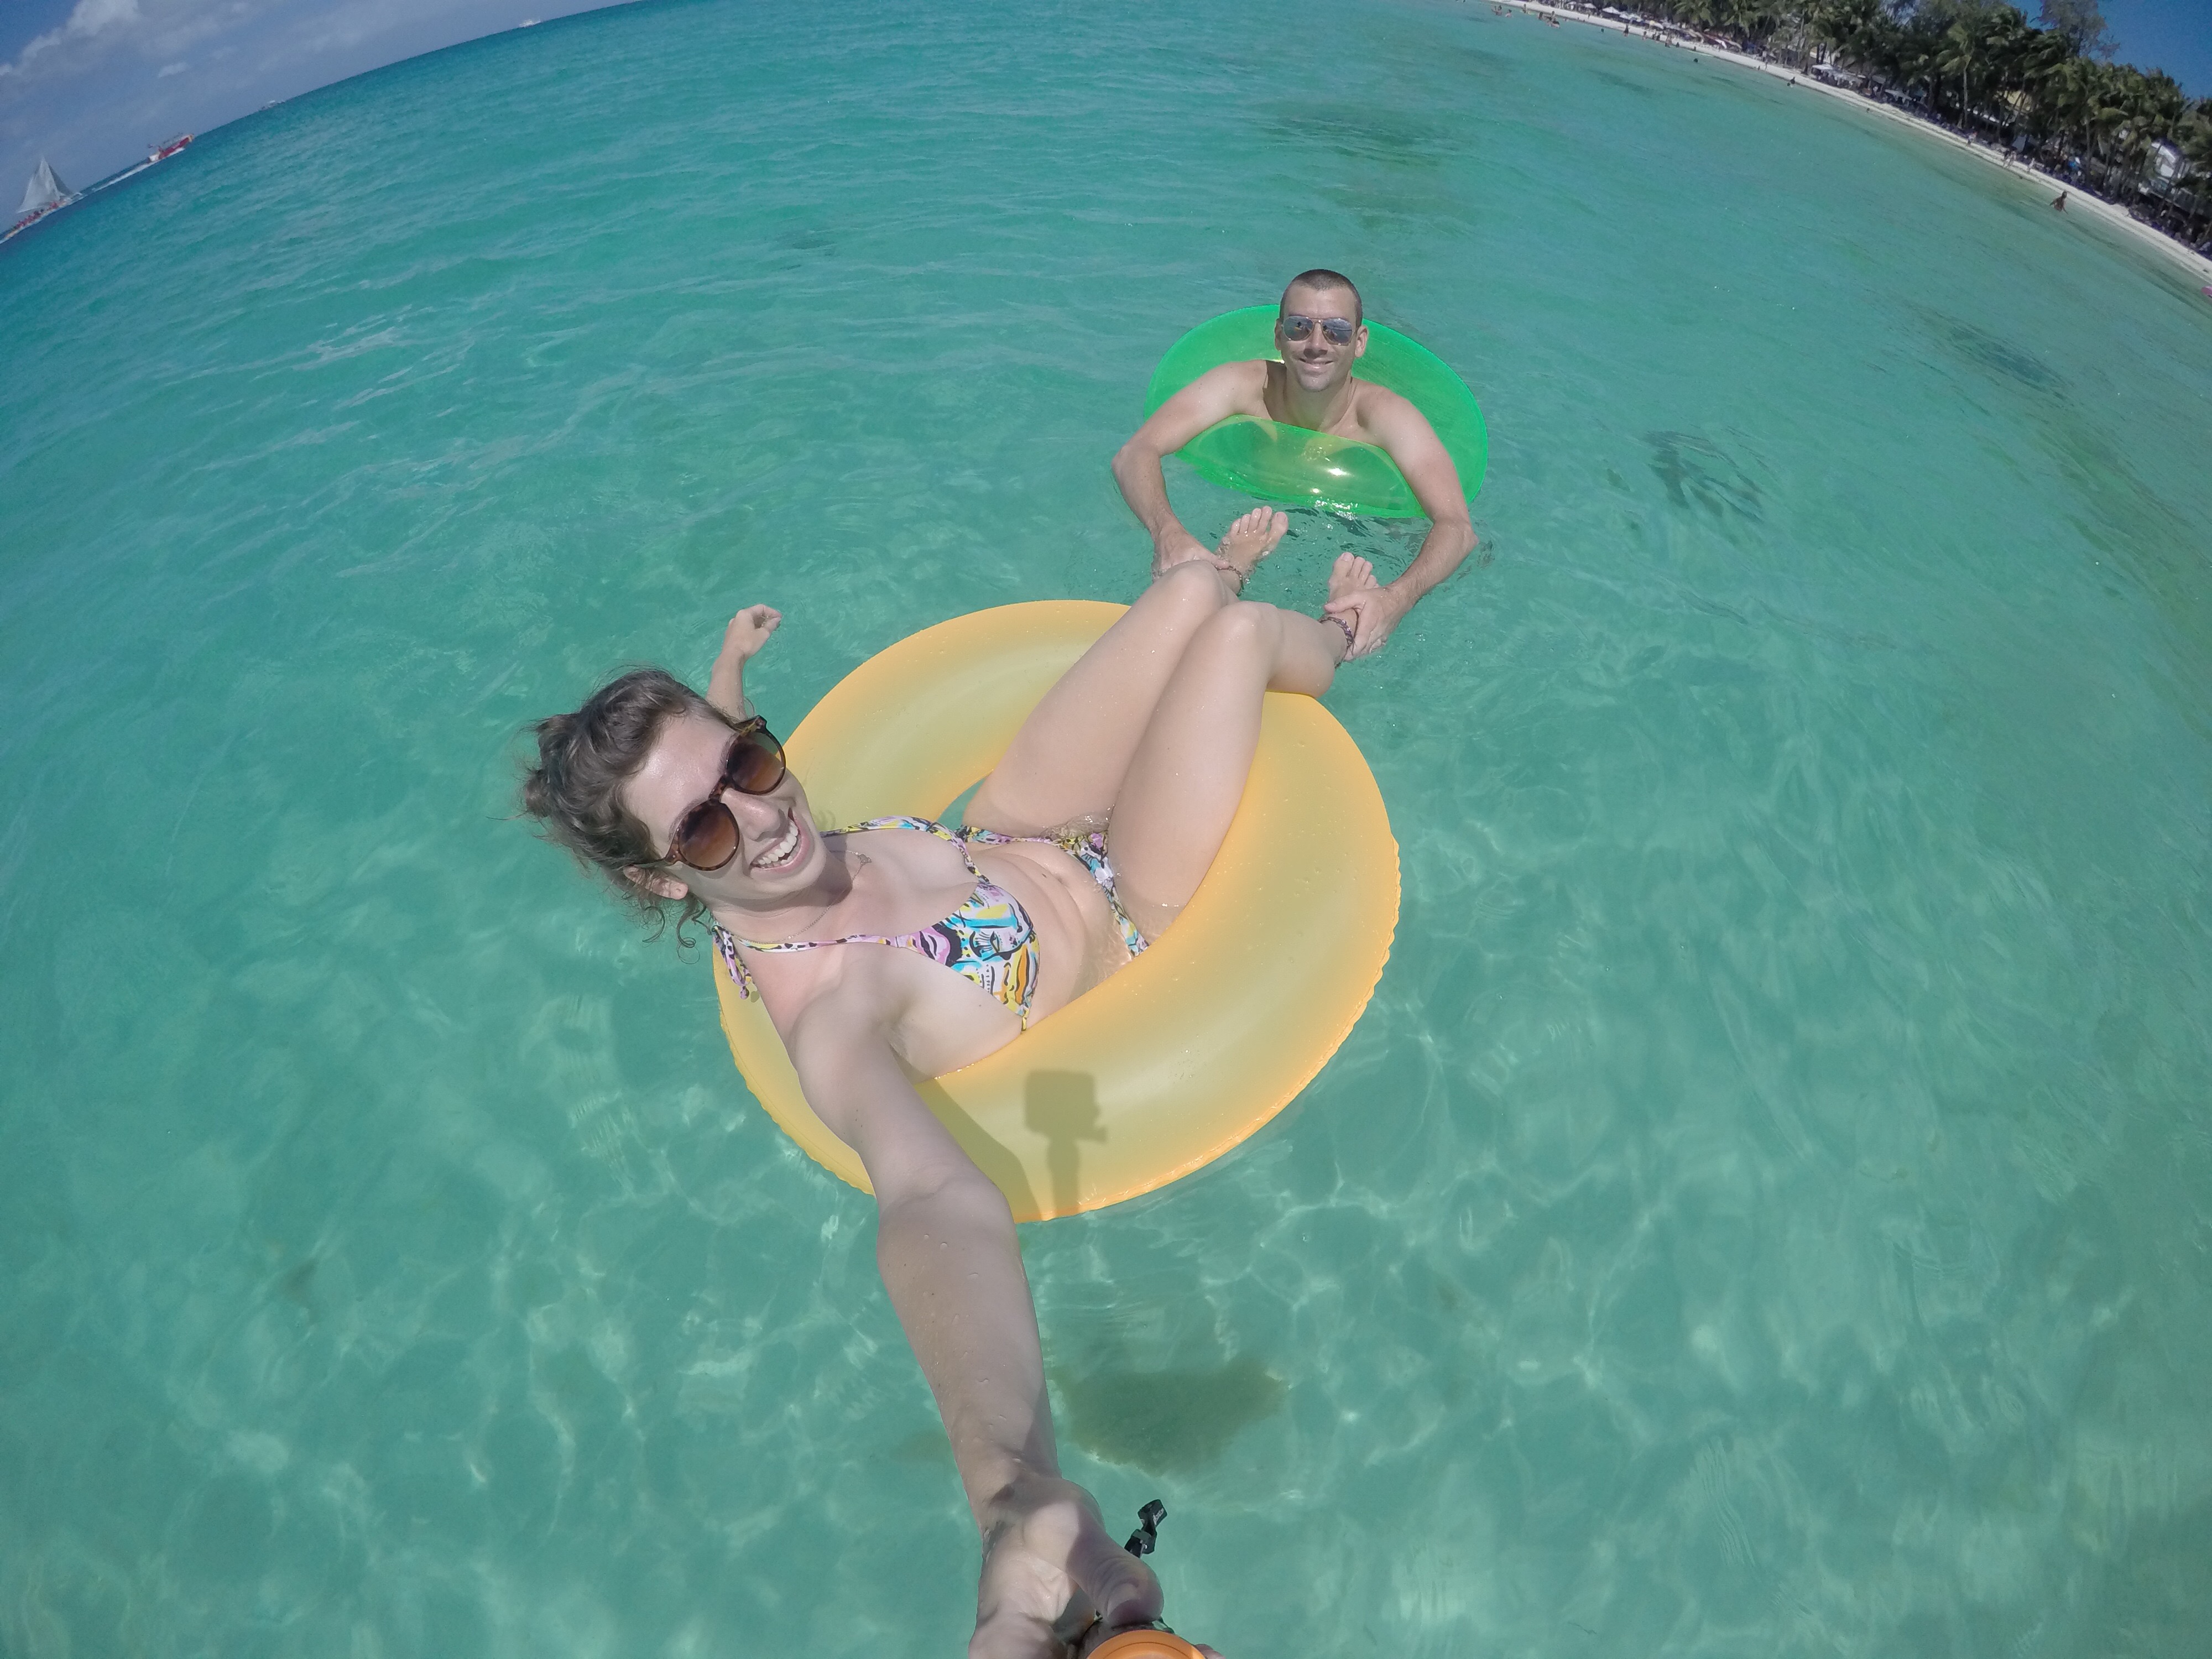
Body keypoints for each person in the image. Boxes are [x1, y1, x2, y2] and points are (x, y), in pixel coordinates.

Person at [523, 514, 1366, 1657]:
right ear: (663, 883)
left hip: (1015, 826)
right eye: (707, 829)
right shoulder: (837, 1020)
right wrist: (1004, 1483)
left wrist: (727, 672)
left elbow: (718, 781)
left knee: (1188, 593)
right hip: (1132, 900)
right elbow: (930, 1199)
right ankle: (1353, 628)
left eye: (750, 762)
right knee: (1237, 637)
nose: (766, 817)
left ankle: (1220, 583)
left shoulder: (751, 833)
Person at [1111, 269, 1478, 659]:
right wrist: (1168, 534)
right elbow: (1135, 453)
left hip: (1363, 526)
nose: (1316, 344)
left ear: (1360, 342)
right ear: (1278, 335)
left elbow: (1458, 527)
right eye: (1299, 327)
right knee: (1192, 604)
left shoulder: (1386, 417)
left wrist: (1396, 599)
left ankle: (1316, 613)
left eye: (1336, 331)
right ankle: (1234, 573)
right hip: (1260, 505)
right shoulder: (1243, 385)